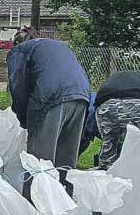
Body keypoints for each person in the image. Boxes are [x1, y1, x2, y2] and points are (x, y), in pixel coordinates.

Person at [7, 32, 91, 198]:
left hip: (52, 96)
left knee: (39, 162)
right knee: (66, 158)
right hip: (82, 95)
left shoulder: (20, 51)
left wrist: (24, 119)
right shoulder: (58, 46)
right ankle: (64, 203)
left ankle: (34, 208)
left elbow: (19, 87)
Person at [92, 71, 140, 169]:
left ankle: (106, 174)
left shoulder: (111, 81)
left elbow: (98, 101)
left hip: (108, 105)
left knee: (109, 143)